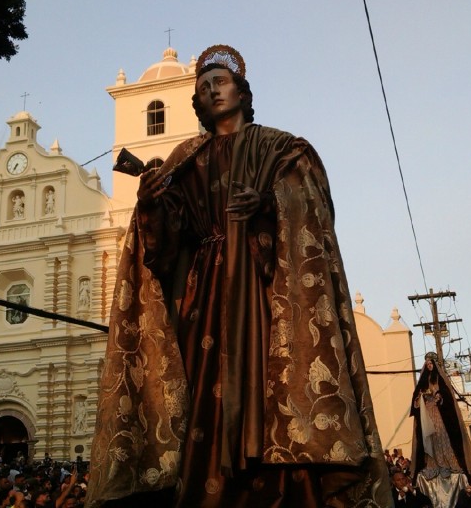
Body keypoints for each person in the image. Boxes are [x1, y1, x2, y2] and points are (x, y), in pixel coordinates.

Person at [86, 45, 391, 507]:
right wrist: (150, 202)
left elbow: (314, 207)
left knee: (274, 383)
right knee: (203, 393)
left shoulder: (284, 147)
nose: (212, 91)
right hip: (205, 295)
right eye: (204, 88)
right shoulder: (186, 157)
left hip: (267, 287)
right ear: (198, 105)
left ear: (243, 92)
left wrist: (269, 205)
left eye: (220, 83)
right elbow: (167, 244)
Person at [410, 353, 471, 508]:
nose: (429, 366)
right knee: (429, 440)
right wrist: (420, 397)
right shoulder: (423, 382)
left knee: (442, 437)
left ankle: (447, 462)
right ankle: (432, 465)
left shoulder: (438, 379)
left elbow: (446, 394)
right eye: (427, 364)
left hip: (439, 414)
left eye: (431, 363)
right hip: (427, 414)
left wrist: (439, 395)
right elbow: (416, 399)